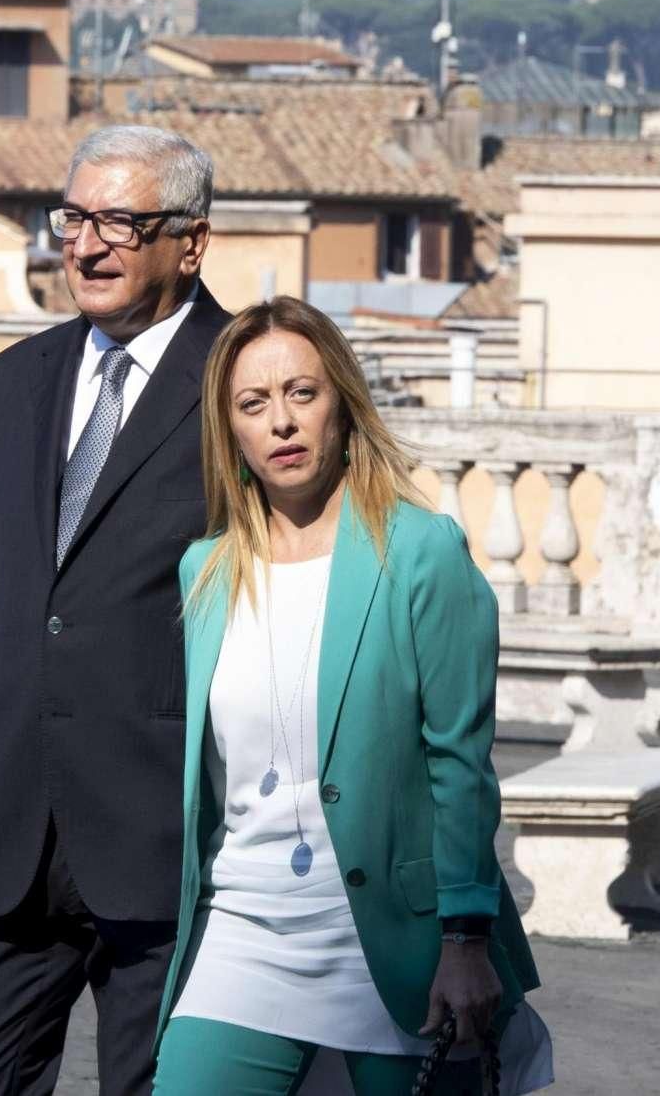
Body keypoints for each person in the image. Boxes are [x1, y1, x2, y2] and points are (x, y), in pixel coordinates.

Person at [0, 125, 231, 1095]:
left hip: (172, 840)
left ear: (190, 241)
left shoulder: (248, 381)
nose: (86, 246)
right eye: (73, 218)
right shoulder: (11, 384)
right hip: (4, 835)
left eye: (119, 222)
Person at [153, 297, 549, 1096]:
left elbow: (460, 762)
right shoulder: (206, 570)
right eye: (253, 403)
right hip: (243, 930)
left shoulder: (421, 552)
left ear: (343, 403)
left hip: (392, 940)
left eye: (302, 392)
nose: (282, 421)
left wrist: (465, 939)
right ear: (230, 431)